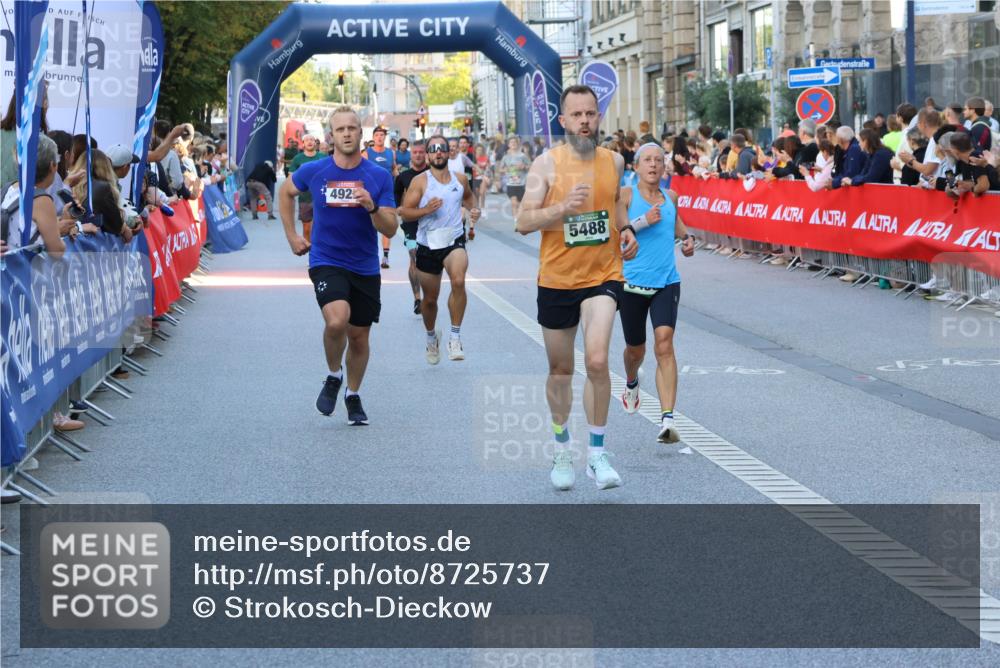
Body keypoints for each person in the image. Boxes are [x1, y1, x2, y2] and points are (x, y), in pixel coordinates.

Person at [515, 84, 638, 492]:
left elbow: (616, 206)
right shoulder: (546, 166)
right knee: (561, 371)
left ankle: (597, 454)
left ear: (598, 117)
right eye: (577, 114)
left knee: (599, 361)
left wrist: (628, 230)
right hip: (557, 279)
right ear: (563, 120)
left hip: (603, 276)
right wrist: (561, 208)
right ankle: (562, 447)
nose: (585, 120)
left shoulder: (615, 161)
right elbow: (523, 221)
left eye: (591, 113)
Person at [278, 106, 397, 426]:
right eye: (341, 129)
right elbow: (286, 191)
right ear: (332, 136)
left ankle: (353, 395)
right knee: (336, 321)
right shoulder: (316, 170)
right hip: (326, 260)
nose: (347, 133)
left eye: (353, 128)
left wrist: (372, 207)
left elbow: (391, 228)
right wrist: (291, 235)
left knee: (359, 337)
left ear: (362, 134)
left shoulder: (379, 176)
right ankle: (333, 375)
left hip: (365, 266)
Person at [618, 142, 694, 444]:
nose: (653, 165)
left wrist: (687, 239)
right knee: (636, 350)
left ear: (665, 167)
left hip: (666, 281)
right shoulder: (625, 195)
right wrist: (641, 222)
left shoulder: (671, 196)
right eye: (647, 160)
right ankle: (632, 381)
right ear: (636, 166)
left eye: (658, 160)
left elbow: (676, 224)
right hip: (631, 284)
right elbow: (615, 231)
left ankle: (667, 419)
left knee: (664, 344)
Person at [398, 135, 481, 363]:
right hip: (428, 244)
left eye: (442, 149)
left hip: (454, 240)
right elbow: (404, 212)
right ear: (427, 155)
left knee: (458, 281)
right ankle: (431, 337)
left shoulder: (460, 179)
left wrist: (474, 212)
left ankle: (455, 337)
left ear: (448, 153)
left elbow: (470, 200)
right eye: (433, 150)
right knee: (430, 300)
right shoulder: (420, 182)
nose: (438, 153)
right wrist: (425, 210)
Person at [394, 139, 430, 315]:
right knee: (413, 257)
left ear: (425, 154)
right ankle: (417, 298)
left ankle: (430, 296)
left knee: (429, 260)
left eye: (421, 152)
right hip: (410, 224)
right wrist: (398, 209)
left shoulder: (432, 174)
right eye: (415, 152)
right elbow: (396, 194)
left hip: (431, 222)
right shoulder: (403, 177)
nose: (418, 155)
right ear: (411, 154)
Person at [362, 126, 396, 268]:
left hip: (386, 193)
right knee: (369, 225)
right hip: (370, 193)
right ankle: (369, 255)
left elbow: (394, 169)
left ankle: (385, 257)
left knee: (386, 223)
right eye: (377, 135)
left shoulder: (390, 153)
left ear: (384, 137)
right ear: (373, 137)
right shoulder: (366, 153)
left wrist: (400, 186)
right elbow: (360, 171)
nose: (379, 137)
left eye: (382, 135)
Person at [288, 134, 325, 240]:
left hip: (321, 197)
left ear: (315, 143)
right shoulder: (297, 159)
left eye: (312, 140)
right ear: (303, 144)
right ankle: (309, 250)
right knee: (307, 228)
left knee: (319, 226)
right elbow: (291, 178)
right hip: (305, 198)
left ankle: (319, 250)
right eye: (307, 140)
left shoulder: (323, 158)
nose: (309, 142)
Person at [500, 136, 531, 217]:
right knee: (514, 203)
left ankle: (520, 220)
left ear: (517, 144)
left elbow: (531, 166)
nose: (513, 144)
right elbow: (500, 169)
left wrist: (524, 166)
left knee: (520, 205)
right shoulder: (506, 157)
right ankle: (516, 222)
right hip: (510, 184)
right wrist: (506, 169)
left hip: (521, 184)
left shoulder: (522, 156)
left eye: (515, 142)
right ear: (509, 145)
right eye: (511, 142)